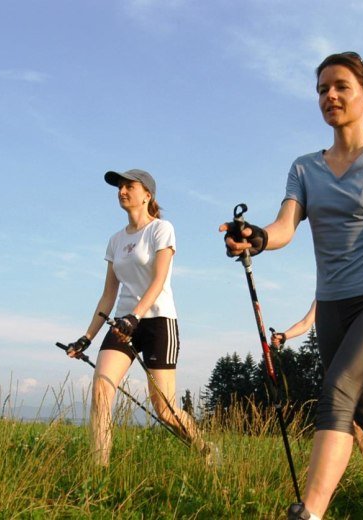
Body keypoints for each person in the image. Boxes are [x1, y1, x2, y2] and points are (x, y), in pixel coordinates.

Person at [221, 52, 363, 520]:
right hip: (332, 309)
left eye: (341, 86)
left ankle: (310, 512)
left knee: (338, 386)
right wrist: (257, 238)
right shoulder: (305, 168)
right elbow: (285, 226)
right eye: (322, 88)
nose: (330, 96)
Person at [66, 169, 213, 466]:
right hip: (122, 323)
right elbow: (108, 294)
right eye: (119, 187)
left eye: (128, 186)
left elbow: (159, 280)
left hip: (158, 321)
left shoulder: (161, 229)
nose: (121, 191)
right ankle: (99, 468)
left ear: (147, 194)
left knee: (165, 409)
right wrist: (87, 337)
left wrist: (135, 316)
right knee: (101, 389)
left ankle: (204, 449)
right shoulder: (116, 240)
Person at [270, 300, 363, 471]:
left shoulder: (357, 296)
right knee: (350, 422)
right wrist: (284, 336)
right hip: (336, 370)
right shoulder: (323, 297)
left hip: (359, 365)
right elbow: (305, 323)